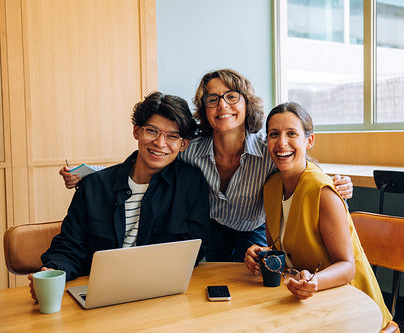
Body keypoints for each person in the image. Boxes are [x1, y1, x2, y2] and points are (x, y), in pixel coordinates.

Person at [60, 69, 354, 262]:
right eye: (212, 100)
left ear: (246, 104)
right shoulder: (190, 150)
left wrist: (333, 182)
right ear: (204, 110)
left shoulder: (268, 148)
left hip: (251, 229)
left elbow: (298, 163)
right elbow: (149, 161)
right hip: (210, 229)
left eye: (231, 97)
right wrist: (89, 176)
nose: (222, 106)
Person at [28, 92, 210, 300]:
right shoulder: (95, 186)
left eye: (172, 136)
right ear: (136, 132)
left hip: (161, 292)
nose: (160, 143)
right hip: (100, 294)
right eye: (152, 131)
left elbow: (196, 246)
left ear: (183, 145)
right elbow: (70, 245)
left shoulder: (191, 184)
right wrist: (52, 272)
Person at [243, 102, 392, 327]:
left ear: (309, 140)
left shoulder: (322, 190)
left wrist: (313, 282)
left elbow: (346, 266)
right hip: (309, 300)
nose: (281, 142)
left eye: (292, 133)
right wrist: (262, 255)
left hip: (352, 303)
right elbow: (281, 249)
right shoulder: (271, 187)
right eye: (274, 134)